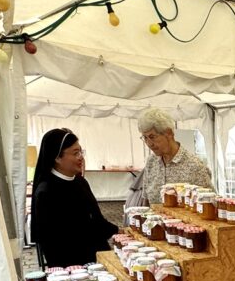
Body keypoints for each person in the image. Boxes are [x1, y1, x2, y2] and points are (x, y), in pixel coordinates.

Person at [30, 127, 120, 267]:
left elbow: (97, 220)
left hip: (97, 257)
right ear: (57, 157)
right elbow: (51, 244)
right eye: (75, 153)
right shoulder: (46, 192)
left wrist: (119, 231)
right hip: (72, 266)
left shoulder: (80, 182)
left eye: (81, 152)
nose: (81, 157)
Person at [136, 107, 213, 204]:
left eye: (152, 137)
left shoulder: (195, 167)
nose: (149, 143)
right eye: (145, 138)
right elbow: (146, 200)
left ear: (169, 133)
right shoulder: (151, 162)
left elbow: (210, 203)